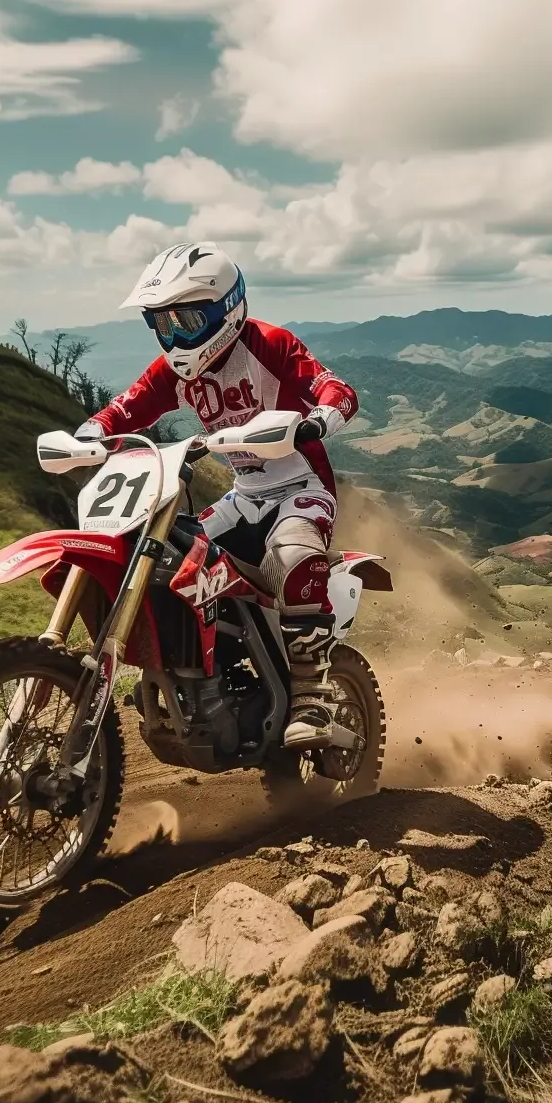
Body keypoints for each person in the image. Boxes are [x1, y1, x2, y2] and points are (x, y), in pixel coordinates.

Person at [77, 242, 359, 748]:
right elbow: (130, 405)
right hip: (243, 495)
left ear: (225, 308)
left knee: (294, 558)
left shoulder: (270, 344)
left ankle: (313, 696)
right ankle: (193, 673)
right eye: (162, 324)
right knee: (168, 559)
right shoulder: (175, 372)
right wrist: (91, 431)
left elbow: (335, 388)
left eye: (185, 320)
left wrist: (316, 421)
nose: (173, 336)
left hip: (301, 490)